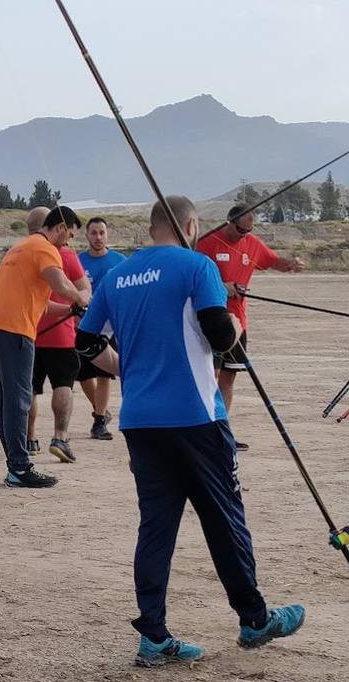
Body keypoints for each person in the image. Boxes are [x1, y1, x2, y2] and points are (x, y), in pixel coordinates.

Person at [76, 195, 304, 667]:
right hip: (197, 417)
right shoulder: (196, 266)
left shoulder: (117, 275)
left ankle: (154, 636)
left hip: (141, 420)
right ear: (190, 224)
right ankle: (255, 619)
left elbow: (85, 344)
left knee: (156, 528)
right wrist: (231, 311)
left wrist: (127, 370)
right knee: (225, 519)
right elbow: (221, 338)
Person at [0, 206, 90, 489]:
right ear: (61, 227)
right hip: (12, 331)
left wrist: (68, 308)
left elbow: (41, 302)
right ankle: (19, 467)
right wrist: (80, 300)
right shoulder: (45, 248)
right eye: (69, 236)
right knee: (18, 400)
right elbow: (60, 283)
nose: (68, 243)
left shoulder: (22, 247)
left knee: (5, 400)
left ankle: (15, 463)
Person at [196, 206, 305, 426]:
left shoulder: (252, 243)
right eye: (240, 229)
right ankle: (202, 426)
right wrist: (222, 286)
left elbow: (274, 262)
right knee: (210, 375)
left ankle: (221, 428)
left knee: (229, 377)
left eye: (249, 230)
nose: (244, 234)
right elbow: (190, 278)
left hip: (238, 321)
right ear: (228, 222)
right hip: (210, 318)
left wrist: (291, 264)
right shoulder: (205, 243)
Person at [26, 207, 90, 463]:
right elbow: (83, 287)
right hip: (57, 333)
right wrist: (81, 303)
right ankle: (60, 437)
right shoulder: (63, 254)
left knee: (29, 388)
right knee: (62, 385)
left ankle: (29, 438)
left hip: (29, 330)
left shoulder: (24, 250)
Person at [77, 216, 127, 439]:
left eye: (102, 233)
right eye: (94, 233)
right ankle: (101, 410)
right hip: (84, 325)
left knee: (105, 374)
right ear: (87, 235)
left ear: (107, 235)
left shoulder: (120, 261)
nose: (98, 237)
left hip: (111, 326)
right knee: (84, 375)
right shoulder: (78, 261)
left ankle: (98, 422)